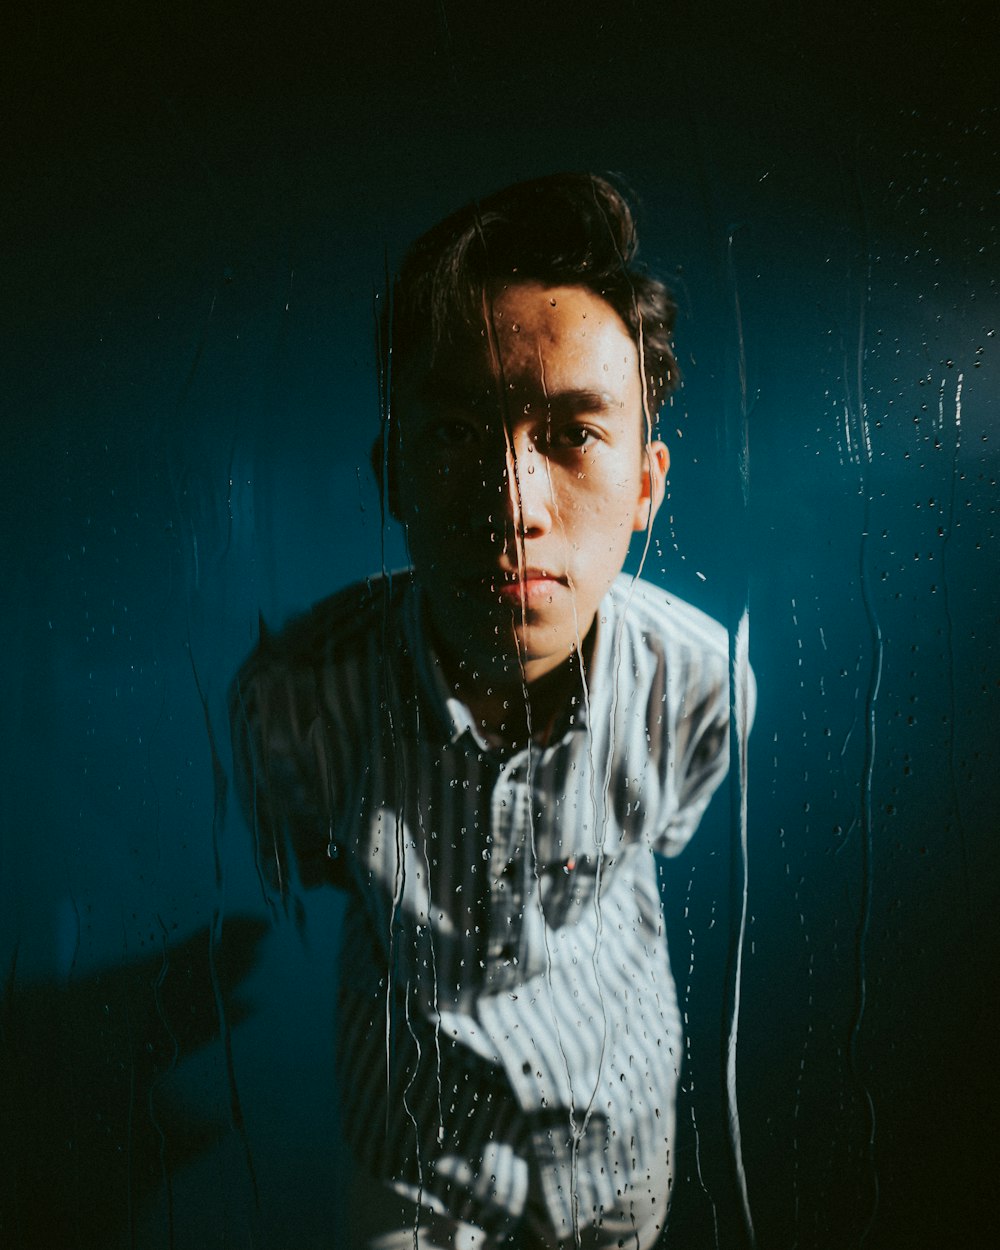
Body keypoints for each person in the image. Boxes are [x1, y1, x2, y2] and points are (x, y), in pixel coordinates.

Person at [230, 173, 753, 1248]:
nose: (512, 504)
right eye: (460, 434)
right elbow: (311, 850)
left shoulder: (699, 681)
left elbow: (664, 826)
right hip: (409, 1141)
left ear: (647, 483)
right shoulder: (299, 698)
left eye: (571, 433)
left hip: (620, 1118)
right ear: (394, 475)